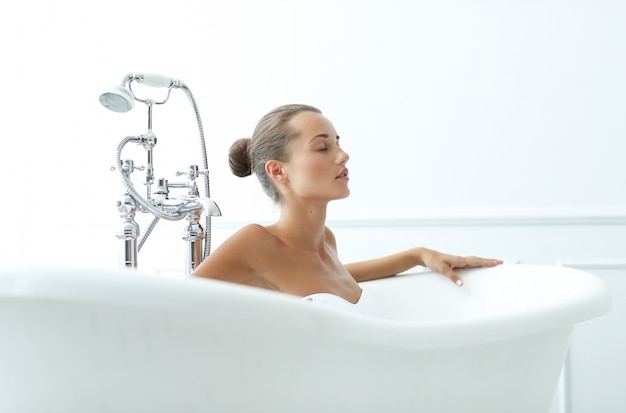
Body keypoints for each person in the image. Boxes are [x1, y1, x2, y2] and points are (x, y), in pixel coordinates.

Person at [192, 104, 501, 307]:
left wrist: (417, 255)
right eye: (323, 147)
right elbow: (175, 305)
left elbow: (329, 280)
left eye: (338, 142)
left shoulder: (325, 241)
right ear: (278, 171)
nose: (342, 155)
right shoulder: (256, 243)